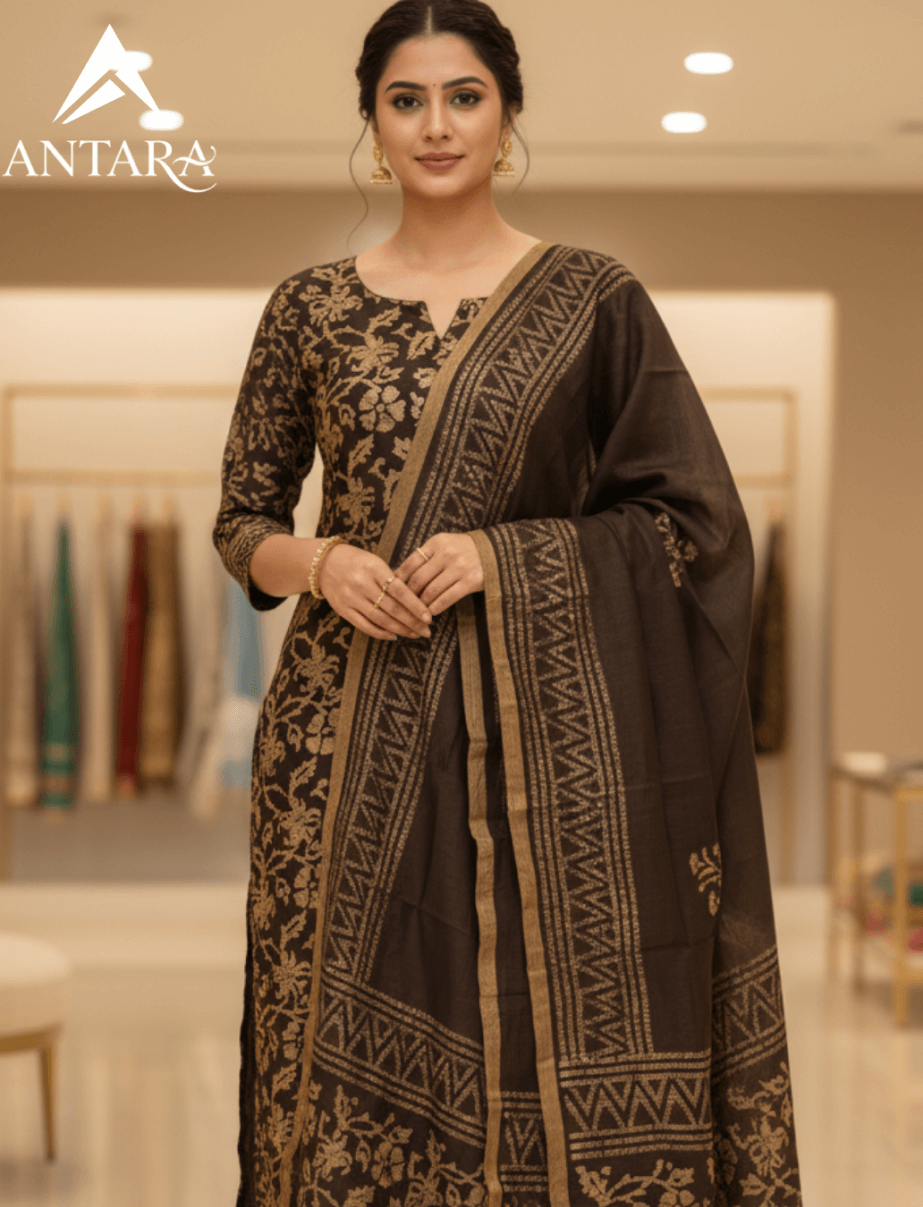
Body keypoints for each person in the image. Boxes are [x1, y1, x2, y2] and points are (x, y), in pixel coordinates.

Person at [212, 2, 803, 1205]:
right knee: (325, 1048)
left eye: (463, 96)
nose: (436, 125)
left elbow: (692, 525)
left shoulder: (591, 298)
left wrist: (511, 557)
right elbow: (241, 522)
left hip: (542, 759)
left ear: (506, 115)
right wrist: (320, 563)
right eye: (406, 100)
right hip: (341, 744)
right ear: (373, 124)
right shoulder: (307, 307)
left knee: (526, 1028)